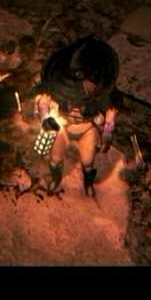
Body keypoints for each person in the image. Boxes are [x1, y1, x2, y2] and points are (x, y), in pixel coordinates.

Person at [34, 35, 123, 197]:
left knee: (88, 161)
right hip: (63, 125)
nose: (90, 87)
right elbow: (43, 100)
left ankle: (88, 183)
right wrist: (45, 117)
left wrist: (108, 130)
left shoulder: (103, 90)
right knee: (55, 158)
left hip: (86, 128)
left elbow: (111, 110)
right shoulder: (60, 81)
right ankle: (56, 180)